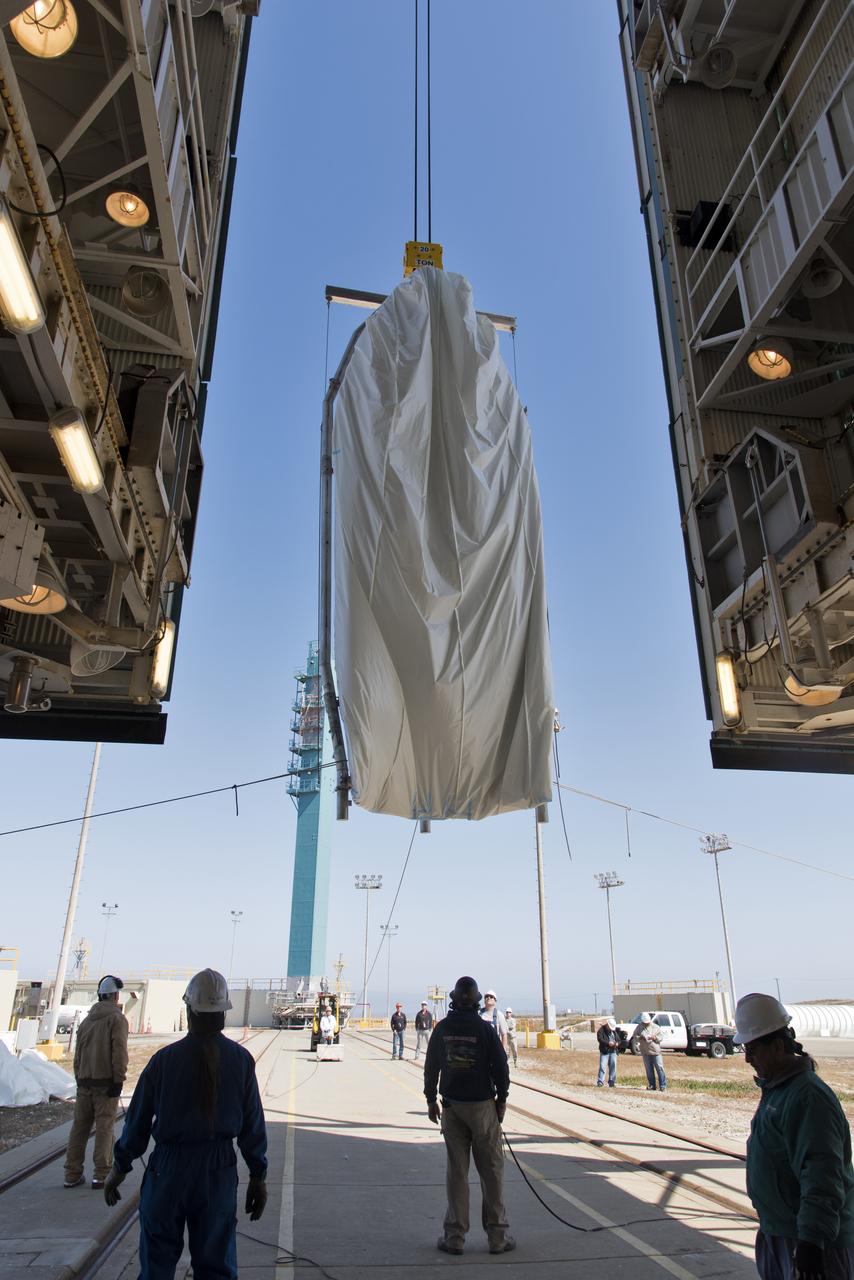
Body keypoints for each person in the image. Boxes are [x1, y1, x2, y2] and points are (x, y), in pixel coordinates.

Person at [103, 968, 268, 1280]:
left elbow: (137, 1123)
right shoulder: (241, 1061)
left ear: (189, 1011)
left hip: (168, 1171)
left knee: (156, 1266)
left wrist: (119, 1168)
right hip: (217, 1172)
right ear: (223, 1015)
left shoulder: (163, 1061)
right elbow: (253, 1126)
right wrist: (258, 1175)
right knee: (216, 1267)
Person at [735, 992, 854, 1280]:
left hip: (811, 1242)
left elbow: (822, 1173)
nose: (748, 1059)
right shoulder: (779, 1090)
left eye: (752, 1049)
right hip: (781, 1233)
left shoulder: (807, 1097)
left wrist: (811, 1241)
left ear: (778, 1047)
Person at [424, 975, 515, 1256]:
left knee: (457, 1173)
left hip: (452, 1108)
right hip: (483, 1108)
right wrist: (502, 1100)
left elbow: (431, 1066)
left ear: (453, 1000)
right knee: (492, 1171)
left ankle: (455, 1237)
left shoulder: (443, 1029)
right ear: (477, 1002)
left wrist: (431, 1100)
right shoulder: (485, 1029)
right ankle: (498, 1237)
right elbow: (501, 1068)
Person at [63, 974, 128, 1189]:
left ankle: (72, 1174)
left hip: (84, 1083)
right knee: (104, 1129)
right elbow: (119, 1052)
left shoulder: (87, 1021)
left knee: (79, 1129)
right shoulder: (117, 1019)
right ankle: (101, 1175)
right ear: (115, 996)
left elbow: (77, 1056)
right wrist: (118, 1080)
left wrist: (80, 1078)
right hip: (105, 1085)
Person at [635, 1012, 666, 1091]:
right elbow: (635, 1036)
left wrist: (654, 1038)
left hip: (655, 1052)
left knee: (660, 1068)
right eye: (644, 1023)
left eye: (647, 1023)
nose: (646, 1024)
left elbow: (661, 1037)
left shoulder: (656, 1027)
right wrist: (641, 1037)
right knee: (649, 1070)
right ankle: (652, 1085)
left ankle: (662, 1085)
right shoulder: (639, 1027)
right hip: (645, 1052)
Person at [596, 1017, 620, 1088]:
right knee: (602, 1066)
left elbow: (618, 1039)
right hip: (605, 1052)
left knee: (613, 1067)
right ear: (607, 1025)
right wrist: (608, 1043)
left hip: (613, 1052)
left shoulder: (614, 1031)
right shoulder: (601, 1030)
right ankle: (600, 1082)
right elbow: (600, 1039)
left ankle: (612, 1082)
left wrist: (617, 1043)